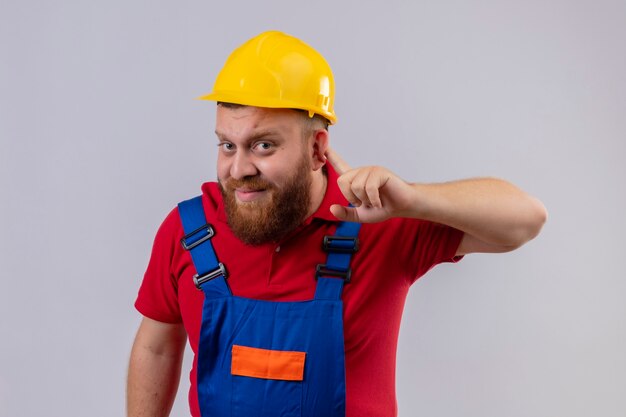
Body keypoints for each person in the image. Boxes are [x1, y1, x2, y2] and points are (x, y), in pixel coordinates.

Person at [127, 31, 547, 417]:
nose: (239, 169)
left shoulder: (375, 221)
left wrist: (413, 198)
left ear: (316, 148)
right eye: (227, 145)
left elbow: (526, 219)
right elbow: (157, 347)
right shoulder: (189, 231)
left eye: (263, 145)